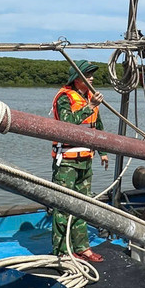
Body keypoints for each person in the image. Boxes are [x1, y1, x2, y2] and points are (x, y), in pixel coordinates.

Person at [50, 59, 110, 262]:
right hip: (66, 161)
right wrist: (89, 107)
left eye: (92, 74)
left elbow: (97, 126)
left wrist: (103, 152)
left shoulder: (92, 97)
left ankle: (82, 247)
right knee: (63, 206)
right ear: (76, 79)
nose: (92, 78)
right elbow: (67, 124)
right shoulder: (64, 98)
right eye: (87, 75)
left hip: (86, 160)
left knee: (83, 205)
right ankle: (61, 252)